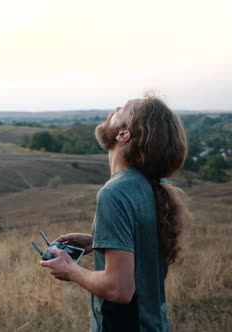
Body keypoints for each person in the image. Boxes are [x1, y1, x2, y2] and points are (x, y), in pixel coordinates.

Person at [40, 94, 188, 332]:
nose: (117, 106)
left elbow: (119, 288)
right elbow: (140, 250)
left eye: (125, 108)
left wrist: (70, 269)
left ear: (123, 135)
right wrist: (99, 242)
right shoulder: (147, 186)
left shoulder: (115, 193)